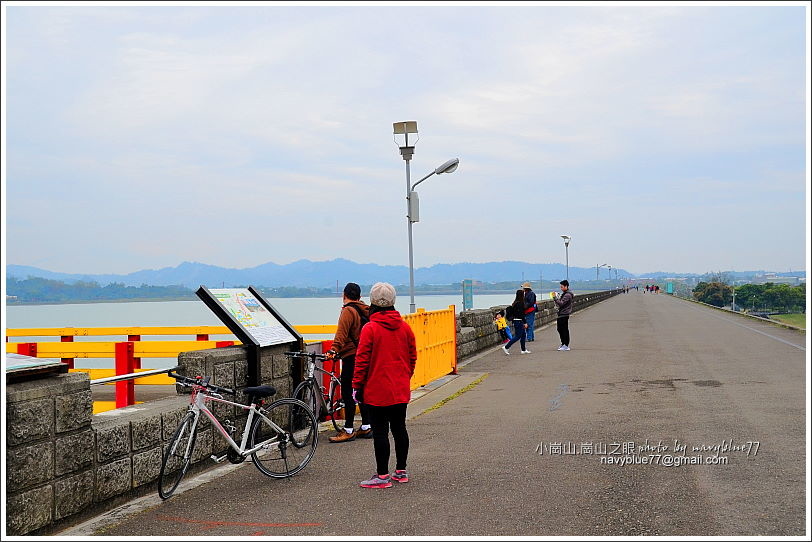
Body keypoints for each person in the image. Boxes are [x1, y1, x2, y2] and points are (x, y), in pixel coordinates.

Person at [353, 282, 417, 488]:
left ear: (372, 302)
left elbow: (361, 361)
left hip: (376, 390)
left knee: (380, 431)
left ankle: (382, 476)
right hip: (399, 388)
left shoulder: (370, 328)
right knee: (400, 429)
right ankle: (401, 471)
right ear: (393, 301)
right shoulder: (405, 327)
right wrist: (405, 376)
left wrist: (357, 386)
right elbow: (412, 357)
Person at [326, 283, 372, 443]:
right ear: (359, 296)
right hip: (365, 355)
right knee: (361, 391)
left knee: (347, 392)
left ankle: (348, 429)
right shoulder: (364, 309)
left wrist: (333, 350)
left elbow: (341, 333)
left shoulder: (348, 311)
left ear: (344, 295)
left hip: (351, 356)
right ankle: (366, 427)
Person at [501, 289, 531, 355]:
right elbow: (521, 315)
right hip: (519, 321)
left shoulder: (515, 303)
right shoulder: (520, 304)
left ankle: (523, 350)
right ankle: (506, 347)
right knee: (518, 336)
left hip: (516, 321)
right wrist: (525, 322)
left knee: (523, 335)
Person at [554, 279, 574, 351]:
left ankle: (566, 344)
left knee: (564, 329)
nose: (561, 288)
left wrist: (555, 298)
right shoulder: (565, 294)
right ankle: (563, 343)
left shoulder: (568, 295)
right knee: (560, 329)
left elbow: (561, 303)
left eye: (562, 287)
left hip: (564, 314)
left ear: (566, 286)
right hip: (562, 314)